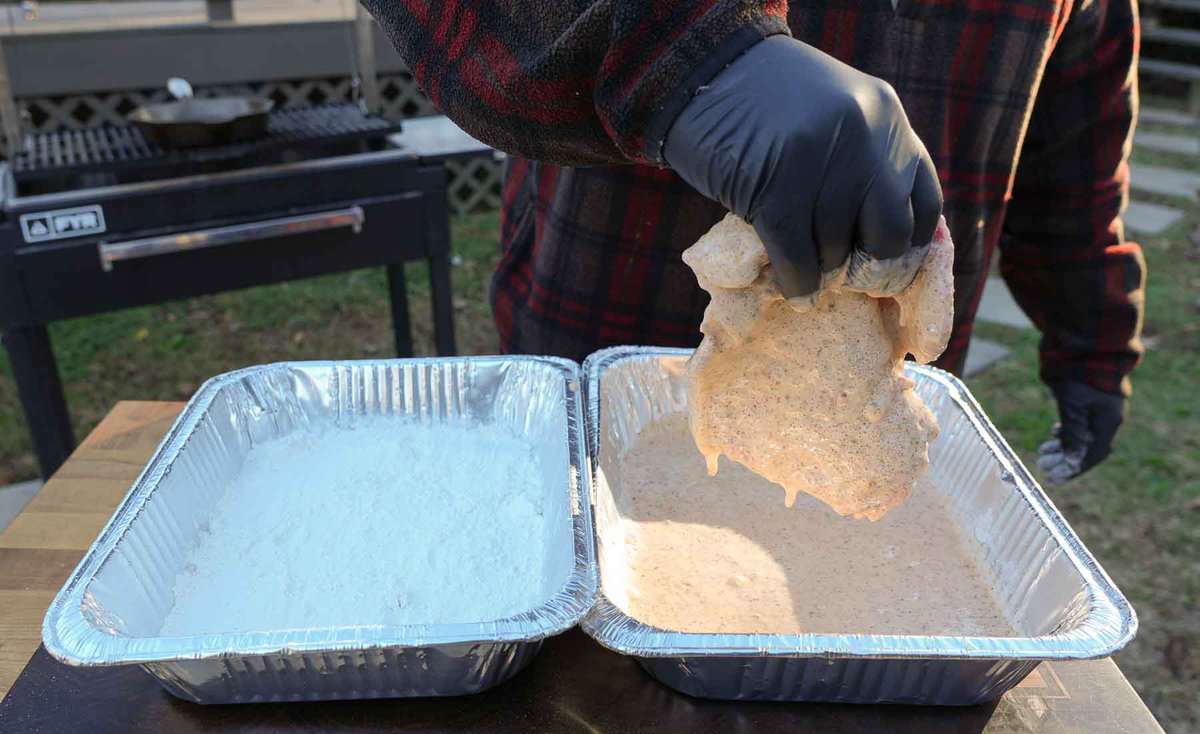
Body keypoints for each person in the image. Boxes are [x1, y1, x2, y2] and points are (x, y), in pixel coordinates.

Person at [363, 1, 1145, 483]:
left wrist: (1093, 346)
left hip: (867, 400)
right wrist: (686, 55)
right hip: (598, 320)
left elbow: (1074, 148)